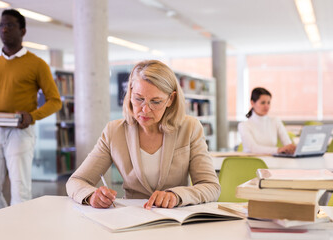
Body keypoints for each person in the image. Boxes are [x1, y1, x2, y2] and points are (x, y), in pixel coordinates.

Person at [66, 60, 220, 209]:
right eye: (139, 99)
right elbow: (76, 181)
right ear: (130, 94)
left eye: (156, 101)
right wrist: (92, 196)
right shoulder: (114, 131)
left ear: (170, 100)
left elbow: (211, 187)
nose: (145, 109)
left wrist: (177, 196)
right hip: (132, 218)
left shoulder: (190, 128)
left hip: (174, 218)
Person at [0, 9, 62, 212]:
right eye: (1, 25)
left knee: (20, 192)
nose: (4, 29)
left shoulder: (37, 64)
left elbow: (55, 101)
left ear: (23, 31)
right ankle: (1, 227)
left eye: (10, 25)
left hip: (20, 131)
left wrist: (32, 116)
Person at [238, 87, 296, 154]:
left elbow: (288, 144)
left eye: (268, 103)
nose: (266, 106)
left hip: (272, 162)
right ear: (252, 103)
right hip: (252, 162)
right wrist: (278, 150)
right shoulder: (244, 125)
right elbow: (252, 148)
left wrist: (291, 148)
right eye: (263, 103)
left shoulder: (275, 121)